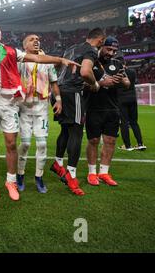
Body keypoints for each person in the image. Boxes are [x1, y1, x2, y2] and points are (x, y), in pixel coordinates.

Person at [0, 18, 78, 201]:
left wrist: (60, 59)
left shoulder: (12, 52)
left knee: (12, 144)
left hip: (10, 105)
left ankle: (11, 181)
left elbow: (38, 57)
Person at [50, 28, 106, 196]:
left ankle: (58, 163)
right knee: (76, 132)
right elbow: (85, 71)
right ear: (101, 40)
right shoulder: (91, 50)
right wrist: (95, 84)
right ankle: (71, 175)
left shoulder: (72, 48)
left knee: (66, 129)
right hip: (73, 92)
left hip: (58, 92)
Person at [16, 34, 62, 194]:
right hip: (24, 108)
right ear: (24, 46)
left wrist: (58, 99)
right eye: (31, 39)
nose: (36, 41)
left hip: (41, 108)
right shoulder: (20, 61)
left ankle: (39, 177)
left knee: (42, 144)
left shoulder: (47, 60)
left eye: (38, 39)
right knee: (26, 144)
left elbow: (54, 82)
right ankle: (20, 175)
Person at [85, 37, 130, 187]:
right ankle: (92, 173)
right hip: (94, 107)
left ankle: (104, 172)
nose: (111, 53)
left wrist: (121, 81)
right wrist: (101, 83)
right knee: (93, 141)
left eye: (114, 51)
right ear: (101, 46)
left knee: (110, 141)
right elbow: (83, 84)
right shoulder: (91, 61)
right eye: (109, 49)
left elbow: (127, 83)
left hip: (112, 109)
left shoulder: (117, 64)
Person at [117, 61, 146, 151]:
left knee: (124, 123)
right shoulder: (132, 72)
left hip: (121, 99)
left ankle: (127, 145)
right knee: (134, 122)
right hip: (133, 99)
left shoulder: (116, 74)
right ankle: (140, 144)